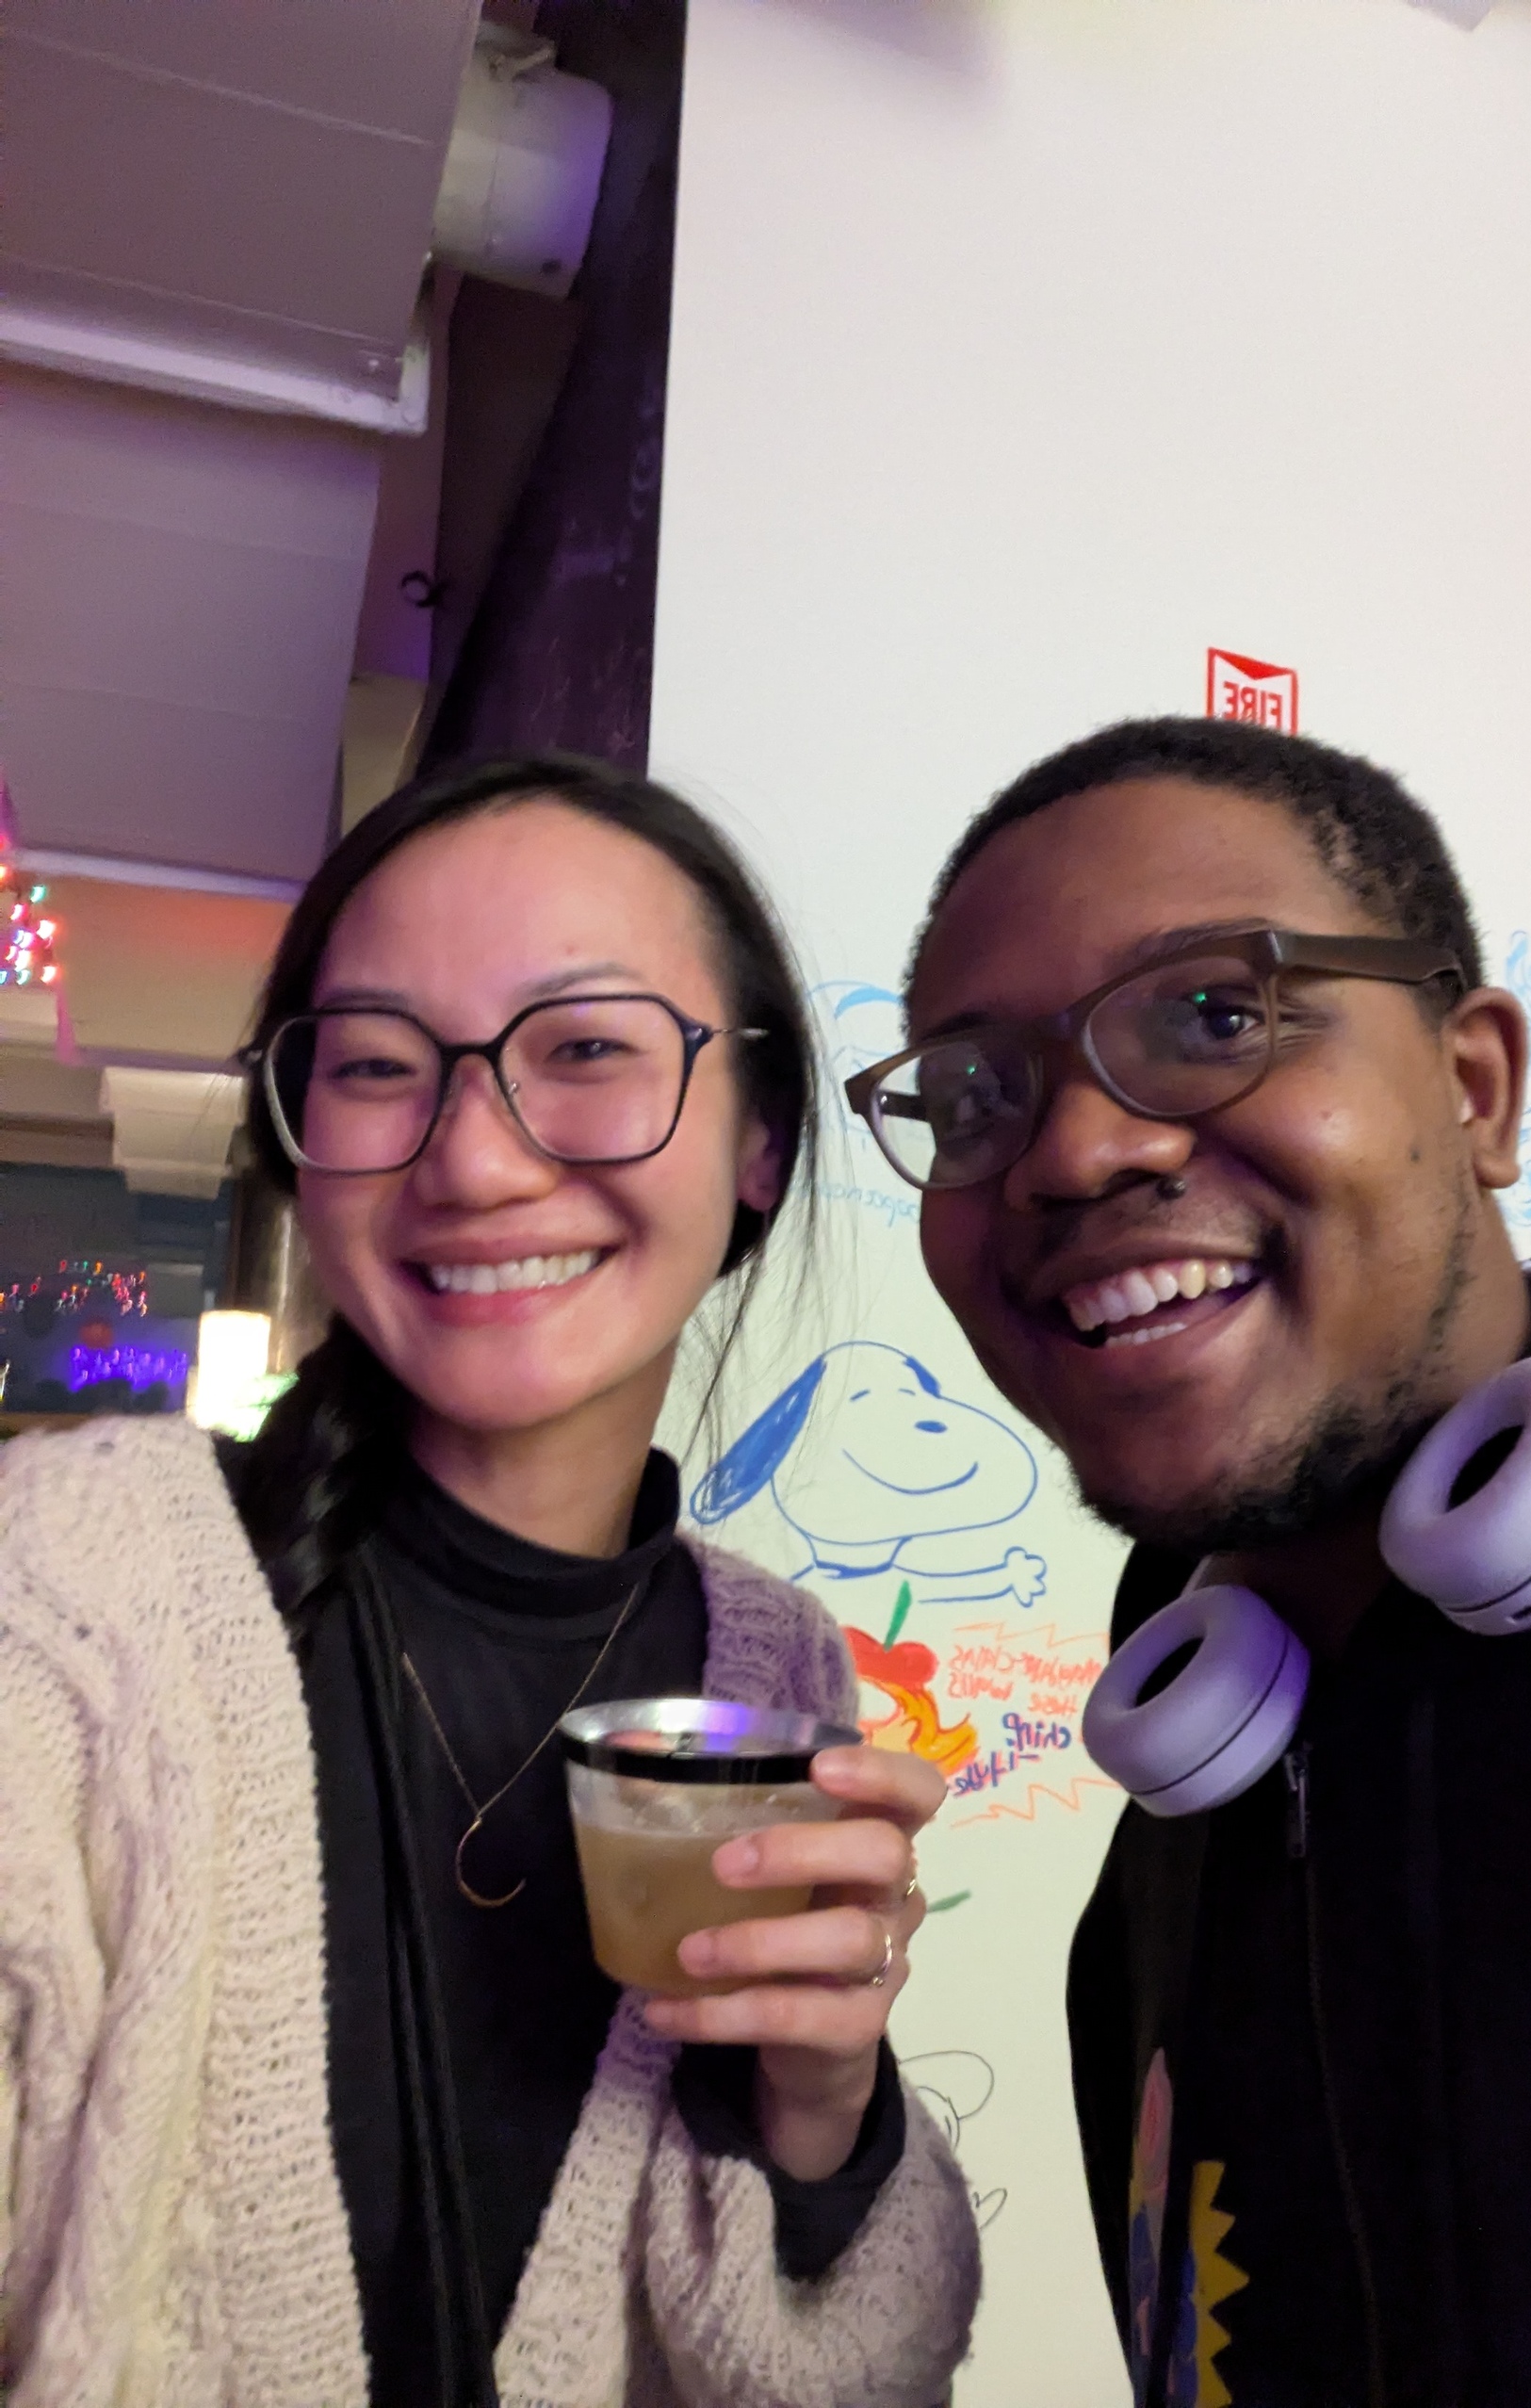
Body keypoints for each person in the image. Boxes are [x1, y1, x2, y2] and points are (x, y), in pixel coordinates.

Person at [848, 713, 1531, 2407]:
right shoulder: (1191, 1767)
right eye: (980, 1092)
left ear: (1475, 1086)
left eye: (1217, 1015)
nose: (1076, 1153)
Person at [1, 755, 979, 2408]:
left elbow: (810, 2363)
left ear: (758, 1140)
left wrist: (826, 2110)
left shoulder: (770, 1667)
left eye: (585, 1049)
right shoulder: (74, 1587)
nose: (471, 1160)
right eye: (379, 1067)